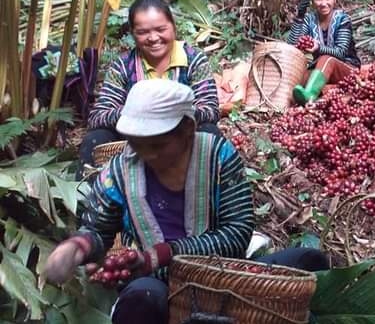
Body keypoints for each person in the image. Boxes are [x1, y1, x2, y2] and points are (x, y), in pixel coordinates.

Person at [44, 80, 328, 324]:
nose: (146, 154)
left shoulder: (218, 156)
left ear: (187, 130)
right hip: (159, 282)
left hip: (224, 274)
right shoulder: (119, 172)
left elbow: (237, 232)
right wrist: (77, 247)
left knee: (309, 262)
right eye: (136, 142)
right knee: (143, 299)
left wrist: (160, 254)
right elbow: (98, 230)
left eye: (157, 144)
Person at [79, 0, 221, 169]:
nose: (153, 38)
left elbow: (210, 110)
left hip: (181, 139)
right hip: (135, 143)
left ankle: (207, 190)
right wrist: (137, 112)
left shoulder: (194, 60)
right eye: (143, 32)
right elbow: (98, 116)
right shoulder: (124, 66)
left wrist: (173, 112)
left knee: (210, 133)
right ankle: (89, 194)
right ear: (132, 33)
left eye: (161, 29)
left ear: (173, 26)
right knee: (96, 138)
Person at [288, 0, 360, 105]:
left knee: (326, 59)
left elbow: (341, 52)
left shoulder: (342, 18)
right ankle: (314, 94)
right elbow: (292, 46)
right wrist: (299, 17)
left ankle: (309, 95)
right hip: (322, 71)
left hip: (347, 69)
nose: (323, 3)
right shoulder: (309, 19)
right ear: (313, 1)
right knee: (301, 75)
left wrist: (318, 48)